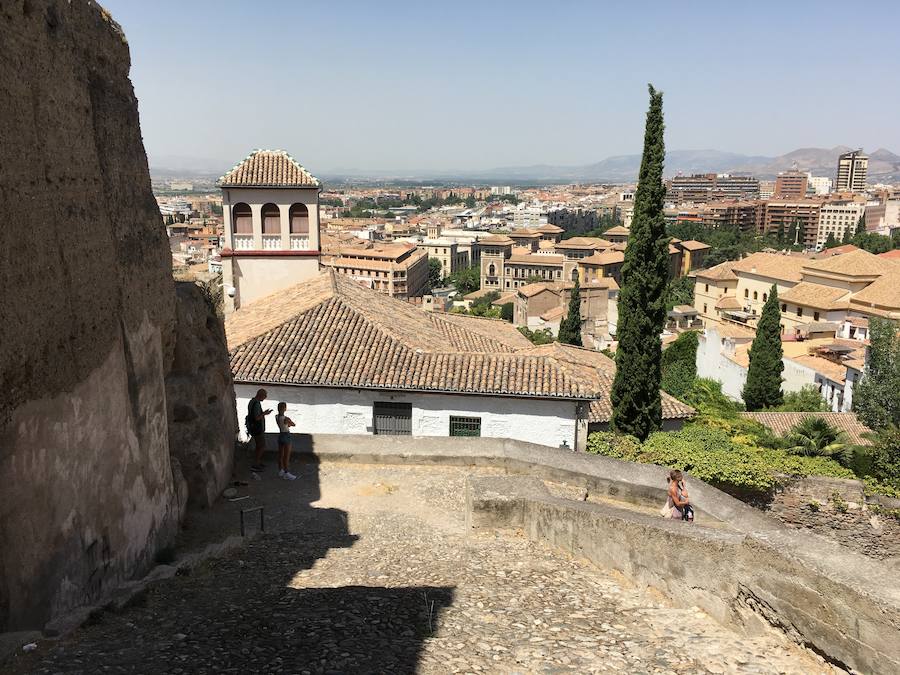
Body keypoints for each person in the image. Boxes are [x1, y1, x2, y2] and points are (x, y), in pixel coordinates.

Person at [246, 389, 272, 473]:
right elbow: (257, 418)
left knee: (258, 445)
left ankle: (258, 462)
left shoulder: (252, 401)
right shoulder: (256, 403)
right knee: (261, 446)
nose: (265, 397)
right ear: (260, 395)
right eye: (265, 396)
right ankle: (256, 464)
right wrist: (264, 414)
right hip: (257, 428)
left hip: (253, 427)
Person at [275, 402, 297, 480]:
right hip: (286, 435)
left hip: (280, 435)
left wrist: (288, 423)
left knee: (280, 455)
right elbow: (293, 424)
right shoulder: (286, 418)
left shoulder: (276, 416)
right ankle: (286, 473)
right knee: (286, 456)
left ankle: (281, 470)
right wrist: (289, 422)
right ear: (284, 408)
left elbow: (284, 424)